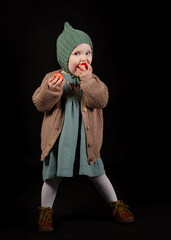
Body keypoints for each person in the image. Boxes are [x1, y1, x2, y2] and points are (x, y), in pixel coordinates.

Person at [32, 22, 135, 232]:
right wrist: (52, 91)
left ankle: (115, 205)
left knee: (97, 172)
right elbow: (39, 103)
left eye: (88, 52)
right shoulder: (52, 78)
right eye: (77, 53)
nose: (84, 58)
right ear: (64, 58)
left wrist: (87, 80)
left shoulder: (93, 80)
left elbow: (101, 100)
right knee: (52, 177)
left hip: (86, 140)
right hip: (60, 141)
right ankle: (45, 212)